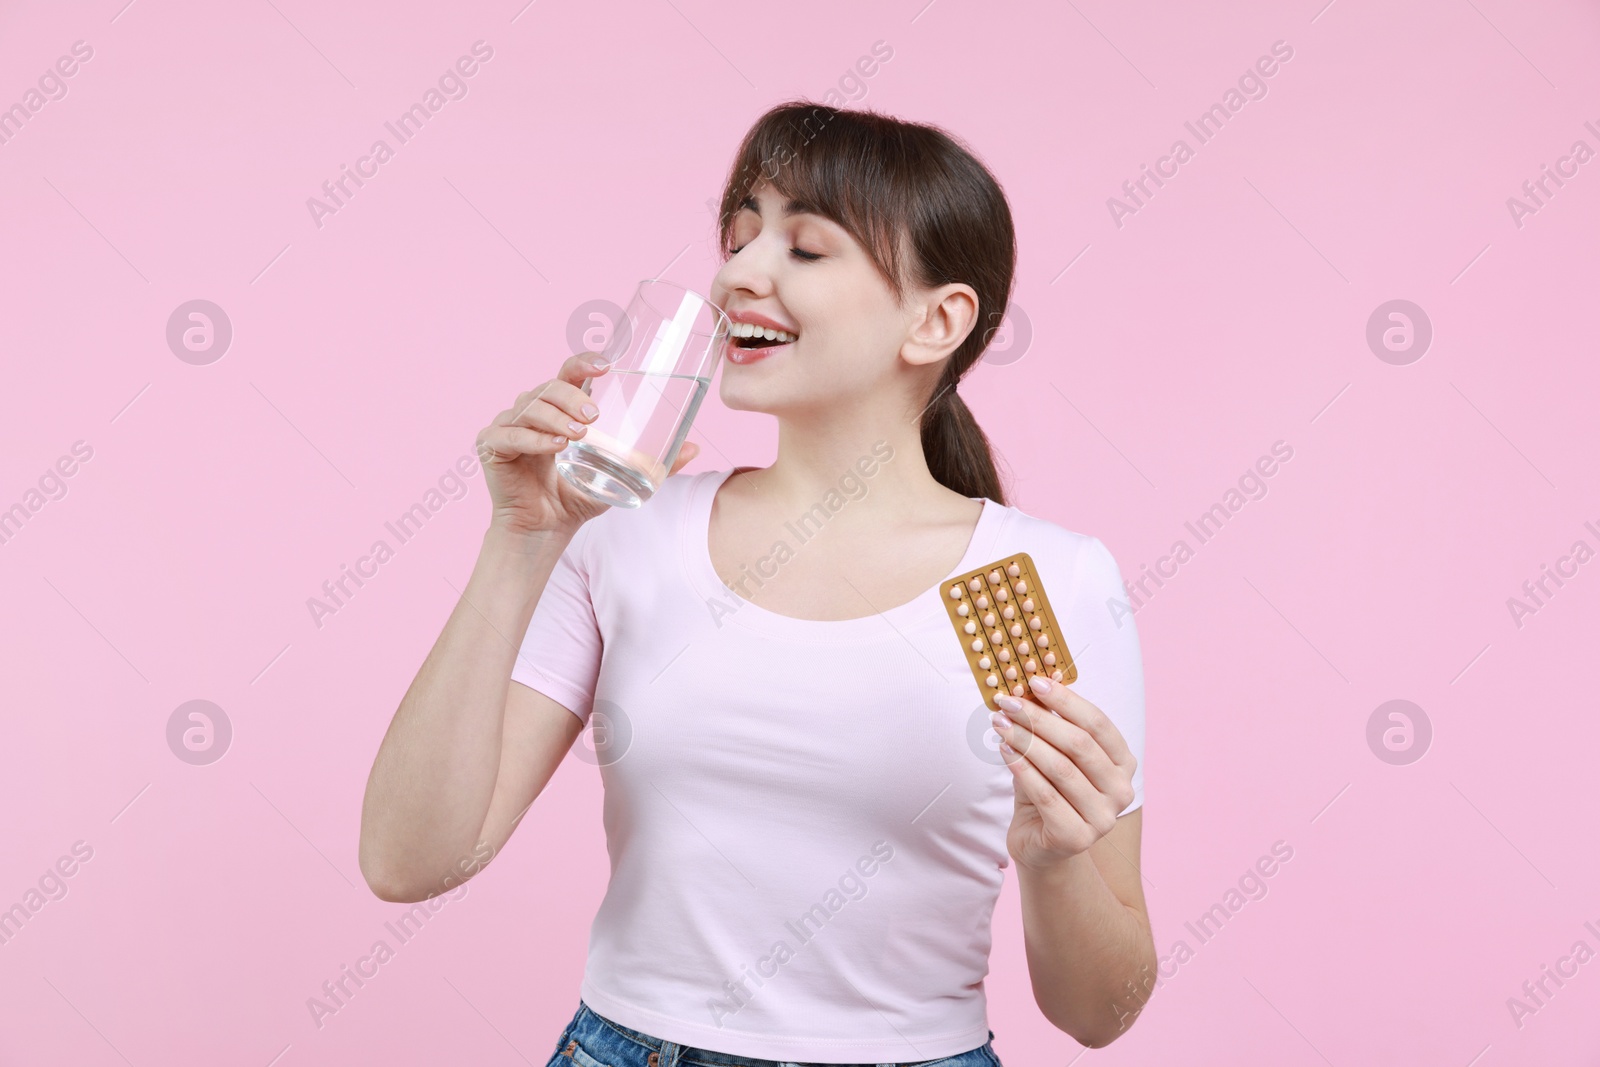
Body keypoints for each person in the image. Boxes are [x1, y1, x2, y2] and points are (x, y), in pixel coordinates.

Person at [358, 101, 1154, 1066]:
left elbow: (1099, 1013)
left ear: (937, 319)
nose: (738, 272)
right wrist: (520, 540)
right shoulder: (626, 533)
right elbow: (409, 861)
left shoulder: (1039, 583)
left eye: (806, 249)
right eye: (738, 238)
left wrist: (1056, 858)